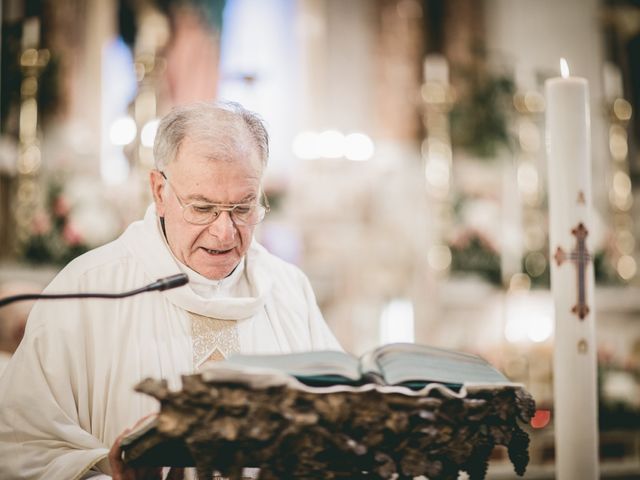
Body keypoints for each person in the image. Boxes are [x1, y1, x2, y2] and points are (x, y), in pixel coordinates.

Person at [0, 101, 341, 479]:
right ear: (160, 191)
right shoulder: (87, 288)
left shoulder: (288, 290)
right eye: (203, 208)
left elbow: (337, 432)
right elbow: (22, 448)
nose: (224, 231)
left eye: (243, 208)